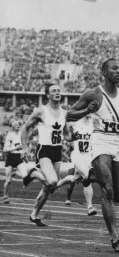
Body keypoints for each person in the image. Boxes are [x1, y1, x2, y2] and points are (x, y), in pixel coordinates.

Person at [67, 58, 119, 253]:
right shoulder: (93, 93)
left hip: (118, 144)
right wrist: (87, 110)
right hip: (100, 143)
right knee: (108, 190)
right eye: (114, 69)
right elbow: (69, 115)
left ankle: (92, 175)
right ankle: (115, 237)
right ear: (104, 73)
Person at [20, 83, 69, 226]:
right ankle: (33, 172)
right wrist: (24, 148)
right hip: (44, 150)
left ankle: (34, 215)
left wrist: (74, 138)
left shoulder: (64, 112)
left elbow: (66, 134)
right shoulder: (40, 111)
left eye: (59, 90)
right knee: (53, 181)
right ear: (48, 95)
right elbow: (25, 129)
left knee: (49, 188)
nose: (57, 92)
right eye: (54, 91)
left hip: (57, 151)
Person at [56, 115, 97, 215]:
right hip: (77, 156)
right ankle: (90, 207)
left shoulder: (94, 123)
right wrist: (66, 123)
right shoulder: (75, 123)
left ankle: (59, 183)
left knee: (75, 179)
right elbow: (65, 132)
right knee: (88, 177)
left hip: (88, 156)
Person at [2, 119, 27, 203]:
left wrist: (24, 154)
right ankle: (5, 196)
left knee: (25, 175)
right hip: (11, 157)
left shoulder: (21, 134)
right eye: (16, 125)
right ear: (12, 126)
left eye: (18, 124)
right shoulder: (9, 135)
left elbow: (24, 146)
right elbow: (5, 149)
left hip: (19, 156)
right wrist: (15, 148)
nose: (18, 126)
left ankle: (15, 173)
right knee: (8, 180)